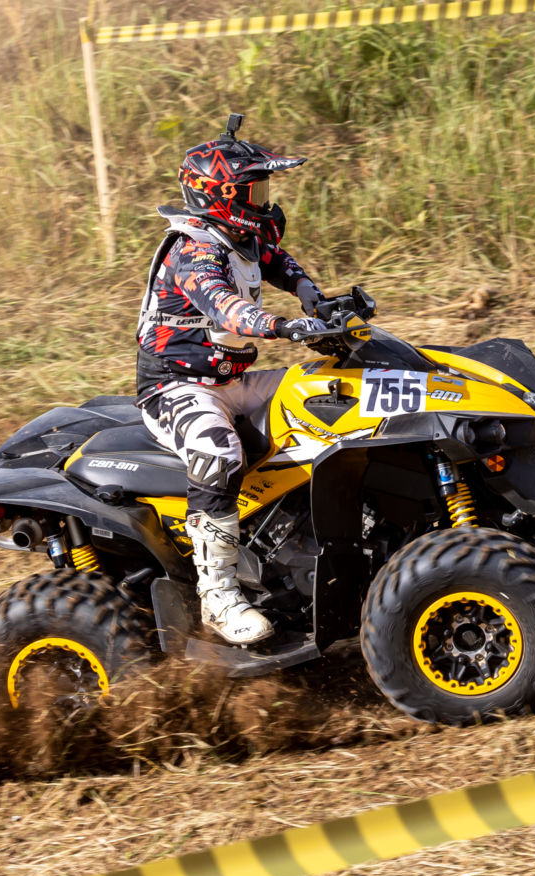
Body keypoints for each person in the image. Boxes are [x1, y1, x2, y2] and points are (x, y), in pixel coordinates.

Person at [135, 114, 328, 646]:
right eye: (254, 190)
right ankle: (217, 596)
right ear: (220, 195)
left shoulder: (241, 236)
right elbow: (223, 307)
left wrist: (314, 298)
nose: (264, 200)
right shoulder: (192, 250)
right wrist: (283, 326)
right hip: (176, 387)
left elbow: (278, 262)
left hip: (232, 378)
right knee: (218, 454)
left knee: (330, 391)